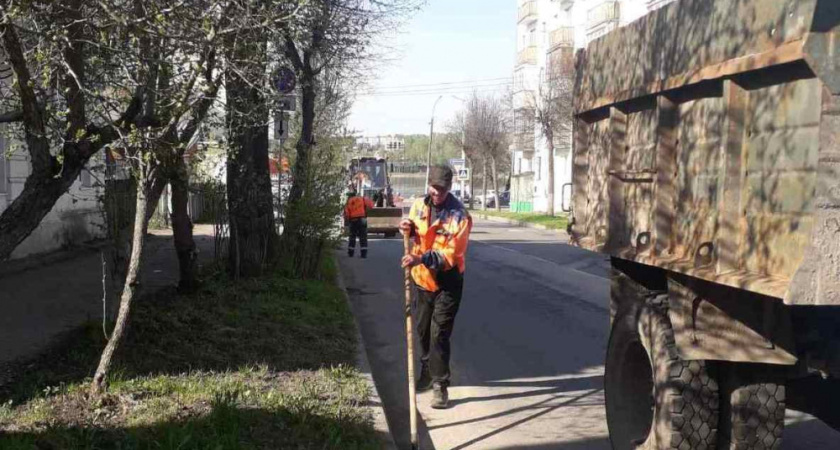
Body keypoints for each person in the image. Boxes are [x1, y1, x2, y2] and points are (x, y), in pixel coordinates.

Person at [400, 165, 472, 409]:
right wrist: (407, 228)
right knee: (421, 330)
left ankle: (440, 386)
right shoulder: (419, 205)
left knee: (438, 333)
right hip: (422, 280)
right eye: (433, 187)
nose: (436, 192)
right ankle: (427, 370)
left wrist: (420, 259)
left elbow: (450, 256)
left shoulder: (459, 216)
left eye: (441, 189)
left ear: (449, 188)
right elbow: (415, 232)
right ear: (428, 185)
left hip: (448, 282)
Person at [344, 189, 374, 258]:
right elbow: (371, 205)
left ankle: (351, 253)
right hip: (362, 219)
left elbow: (347, 213)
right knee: (363, 237)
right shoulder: (363, 199)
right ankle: (363, 254)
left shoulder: (349, 201)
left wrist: (348, 220)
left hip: (353, 220)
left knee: (352, 237)